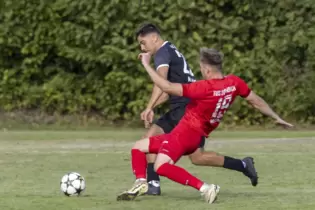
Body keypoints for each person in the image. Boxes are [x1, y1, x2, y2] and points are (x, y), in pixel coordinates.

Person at [116, 47, 293, 203]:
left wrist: (147, 64)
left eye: (201, 68)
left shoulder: (204, 88)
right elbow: (256, 101)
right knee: (139, 147)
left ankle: (205, 188)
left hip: (185, 133)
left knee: (160, 166)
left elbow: (167, 87)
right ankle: (141, 183)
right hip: (195, 134)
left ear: (207, 69)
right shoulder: (234, 83)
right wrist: (276, 117)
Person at [136, 23, 259, 195]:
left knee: (149, 140)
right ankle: (243, 165)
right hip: (184, 107)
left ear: (154, 38)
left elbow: (160, 81)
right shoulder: (170, 49)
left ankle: (153, 185)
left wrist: (149, 107)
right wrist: (151, 107)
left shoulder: (162, 53)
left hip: (185, 111)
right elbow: (165, 92)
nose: (142, 47)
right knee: (198, 157)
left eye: (143, 42)